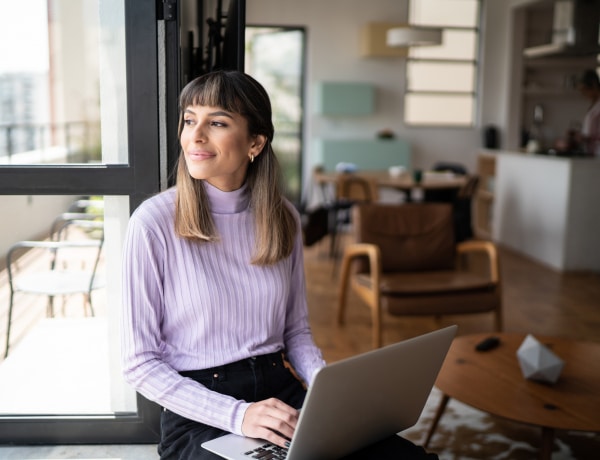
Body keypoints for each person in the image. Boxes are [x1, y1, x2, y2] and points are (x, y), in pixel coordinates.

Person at [120, 70, 437, 460]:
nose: (195, 136)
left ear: (256, 141)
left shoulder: (282, 217)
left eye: (216, 122)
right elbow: (139, 363)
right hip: (202, 408)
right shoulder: (152, 223)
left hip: (281, 389)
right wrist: (239, 415)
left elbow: (296, 331)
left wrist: (328, 390)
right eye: (189, 120)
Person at [578, 69, 600, 157]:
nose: (583, 94)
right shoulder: (594, 105)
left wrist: (585, 138)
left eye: (584, 90)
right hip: (592, 154)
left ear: (594, 85)